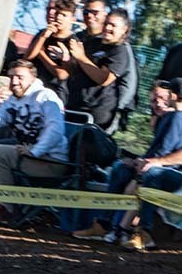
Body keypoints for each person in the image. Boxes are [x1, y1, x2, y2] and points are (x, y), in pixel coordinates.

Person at [73, 80, 182, 251]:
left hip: (171, 173)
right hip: (160, 167)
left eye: (162, 98)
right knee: (121, 169)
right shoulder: (166, 118)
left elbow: (165, 154)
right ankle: (106, 225)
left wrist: (149, 162)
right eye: (153, 100)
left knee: (149, 174)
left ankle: (137, 231)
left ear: (172, 96)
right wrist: (137, 161)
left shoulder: (176, 117)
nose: (158, 103)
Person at [0, 60, 68, 226]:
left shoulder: (46, 96)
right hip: (28, 155)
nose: (14, 81)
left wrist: (36, 151)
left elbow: (56, 129)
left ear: (33, 78)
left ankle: (7, 208)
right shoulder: (12, 99)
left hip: (51, 160)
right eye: (11, 77)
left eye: (20, 77)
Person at [63, 8, 132, 130]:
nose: (107, 28)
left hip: (94, 113)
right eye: (106, 23)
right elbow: (75, 69)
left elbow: (104, 79)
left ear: (124, 29)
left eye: (113, 25)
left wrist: (81, 57)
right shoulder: (93, 43)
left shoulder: (120, 51)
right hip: (74, 105)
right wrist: (66, 58)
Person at [23, 0, 76, 99]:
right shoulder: (43, 34)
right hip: (33, 90)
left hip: (55, 93)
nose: (59, 18)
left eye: (64, 15)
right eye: (57, 14)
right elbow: (27, 57)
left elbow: (62, 74)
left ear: (72, 19)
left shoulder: (73, 42)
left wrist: (41, 54)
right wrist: (43, 37)